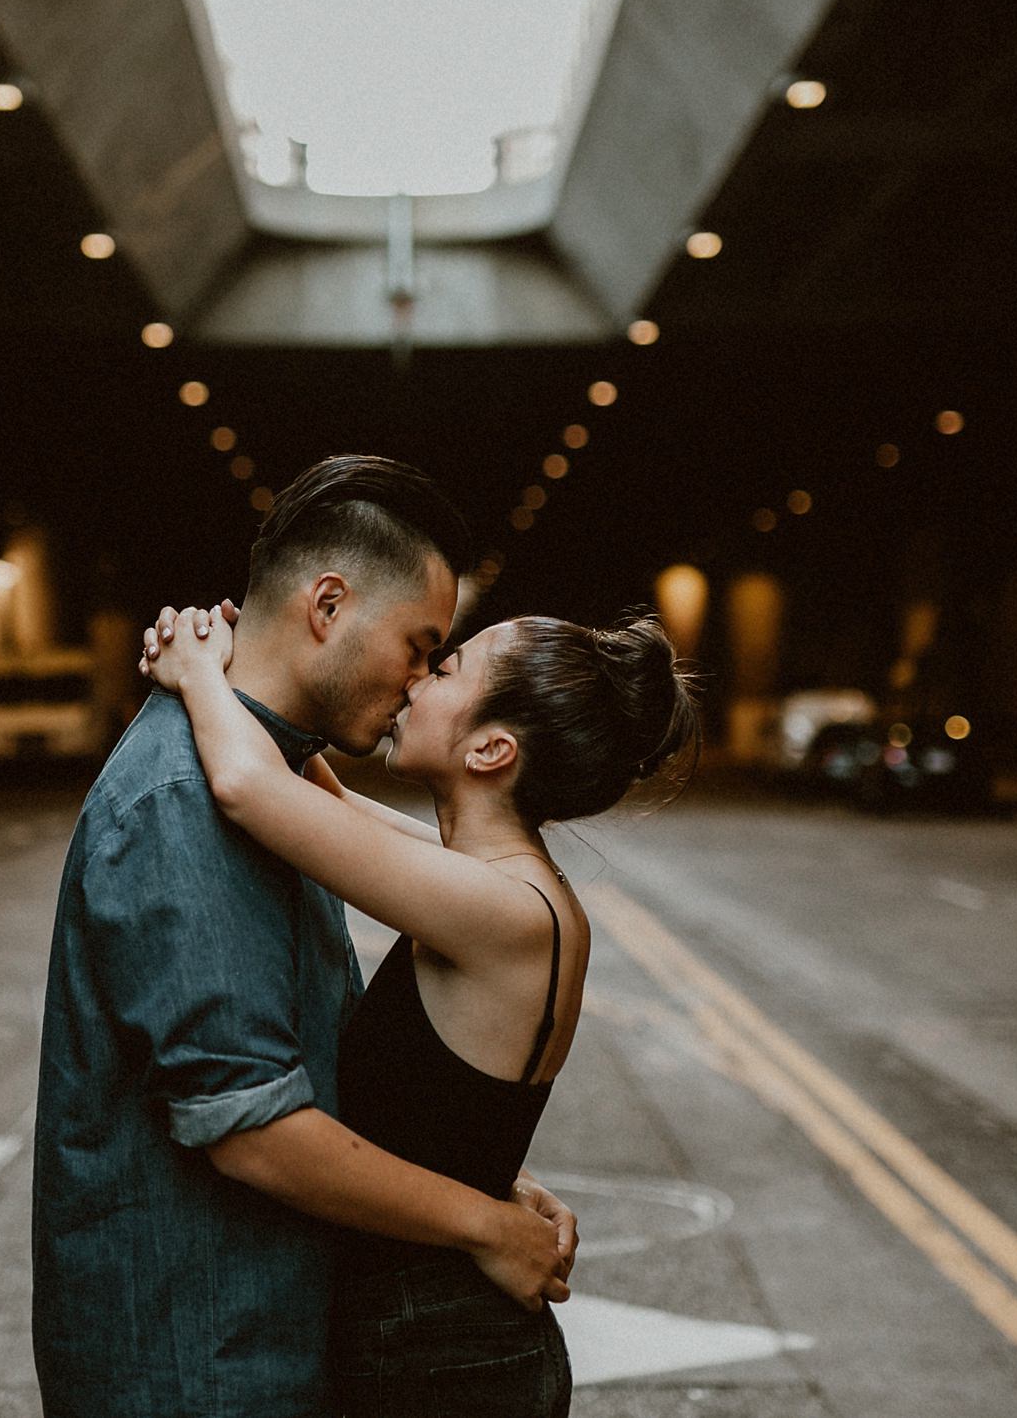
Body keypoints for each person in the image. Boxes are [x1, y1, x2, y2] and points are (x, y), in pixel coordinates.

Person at [31, 456, 577, 1418]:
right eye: (419, 646)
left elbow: (324, 1063)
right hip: (198, 1361)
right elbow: (253, 1133)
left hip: (259, 1337)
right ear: (328, 605)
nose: (417, 681)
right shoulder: (185, 798)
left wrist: (484, 1169)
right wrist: (482, 1222)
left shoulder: (272, 785)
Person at [143, 588, 701, 1418]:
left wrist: (194, 673)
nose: (415, 680)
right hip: (447, 1336)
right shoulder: (498, 884)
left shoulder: (504, 912)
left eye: (446, 668)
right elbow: (319, 801)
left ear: (490, 749)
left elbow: (248, 787)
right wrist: (249, 665)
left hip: (439, 1352)